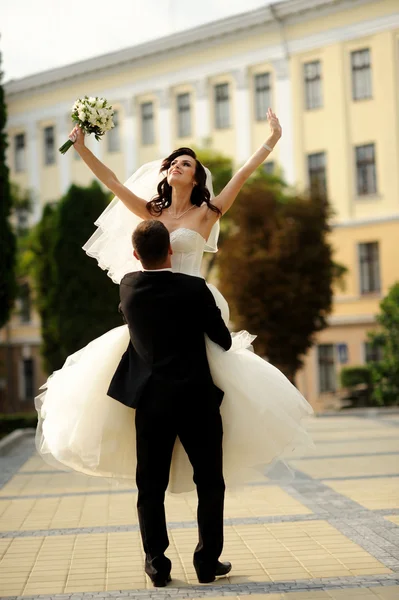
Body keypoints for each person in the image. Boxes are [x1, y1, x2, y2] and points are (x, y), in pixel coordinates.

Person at [35, 108, 313, 498]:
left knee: (212, 384)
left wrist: (272, 139)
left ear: (197, 177)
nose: (178, 167)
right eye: (174, 163)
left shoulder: (207, 213)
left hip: (194, 305)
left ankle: (208, 449)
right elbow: (113, 182)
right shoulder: (152, 212)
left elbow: (243, 175)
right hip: (153, 313)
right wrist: (81, 149)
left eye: (186, 164)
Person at [118, 219, 232, 586]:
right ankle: (206, 561)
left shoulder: (128, 288)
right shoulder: (196, 289)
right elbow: (224, 341)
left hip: (150, 400)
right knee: (210, 481)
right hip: (196, 396)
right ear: (171, 251)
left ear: (135, 255)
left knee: (149, 485)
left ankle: (157, 564)